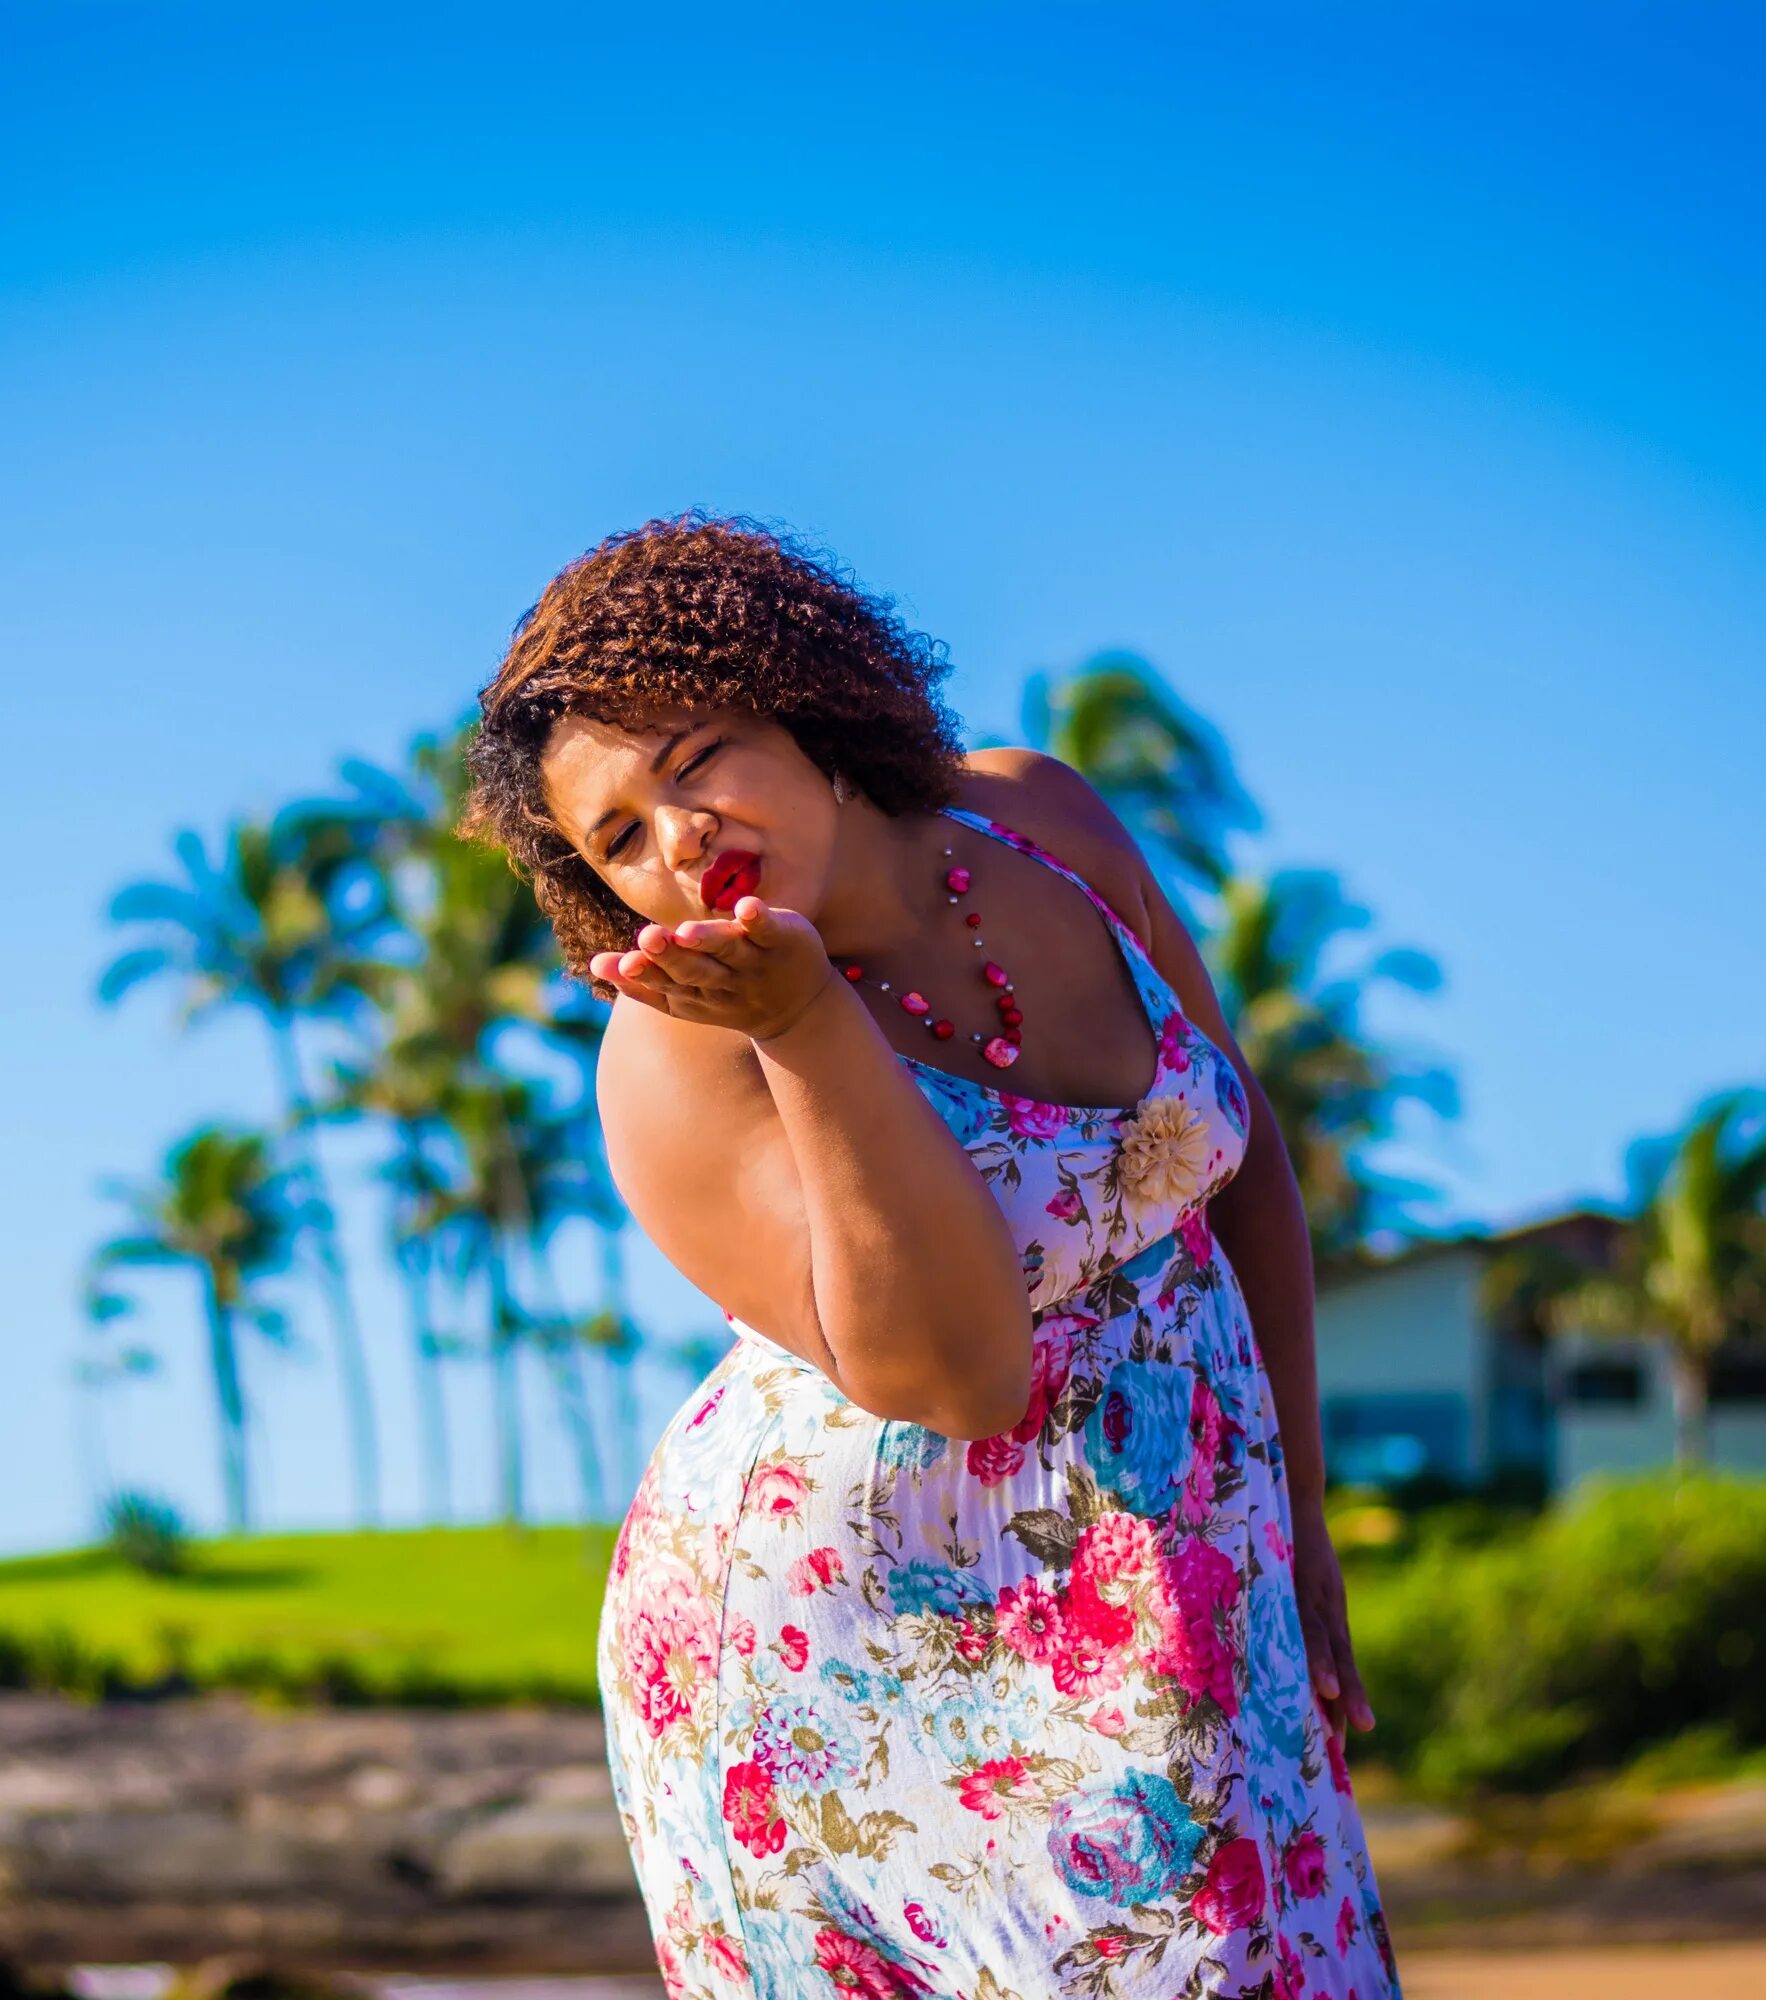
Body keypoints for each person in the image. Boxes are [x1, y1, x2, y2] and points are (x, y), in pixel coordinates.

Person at [463, 514, 1399, 2000]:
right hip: (846, 1663)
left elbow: (1247, 1160)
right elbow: (957, 1374)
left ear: (800, 696)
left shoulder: (1045, 823)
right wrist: (804, 1025)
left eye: (696, 756)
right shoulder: (678, 1056)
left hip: (1186, 1562)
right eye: (619, 836)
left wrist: (1298, 1509)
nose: (680, 836)